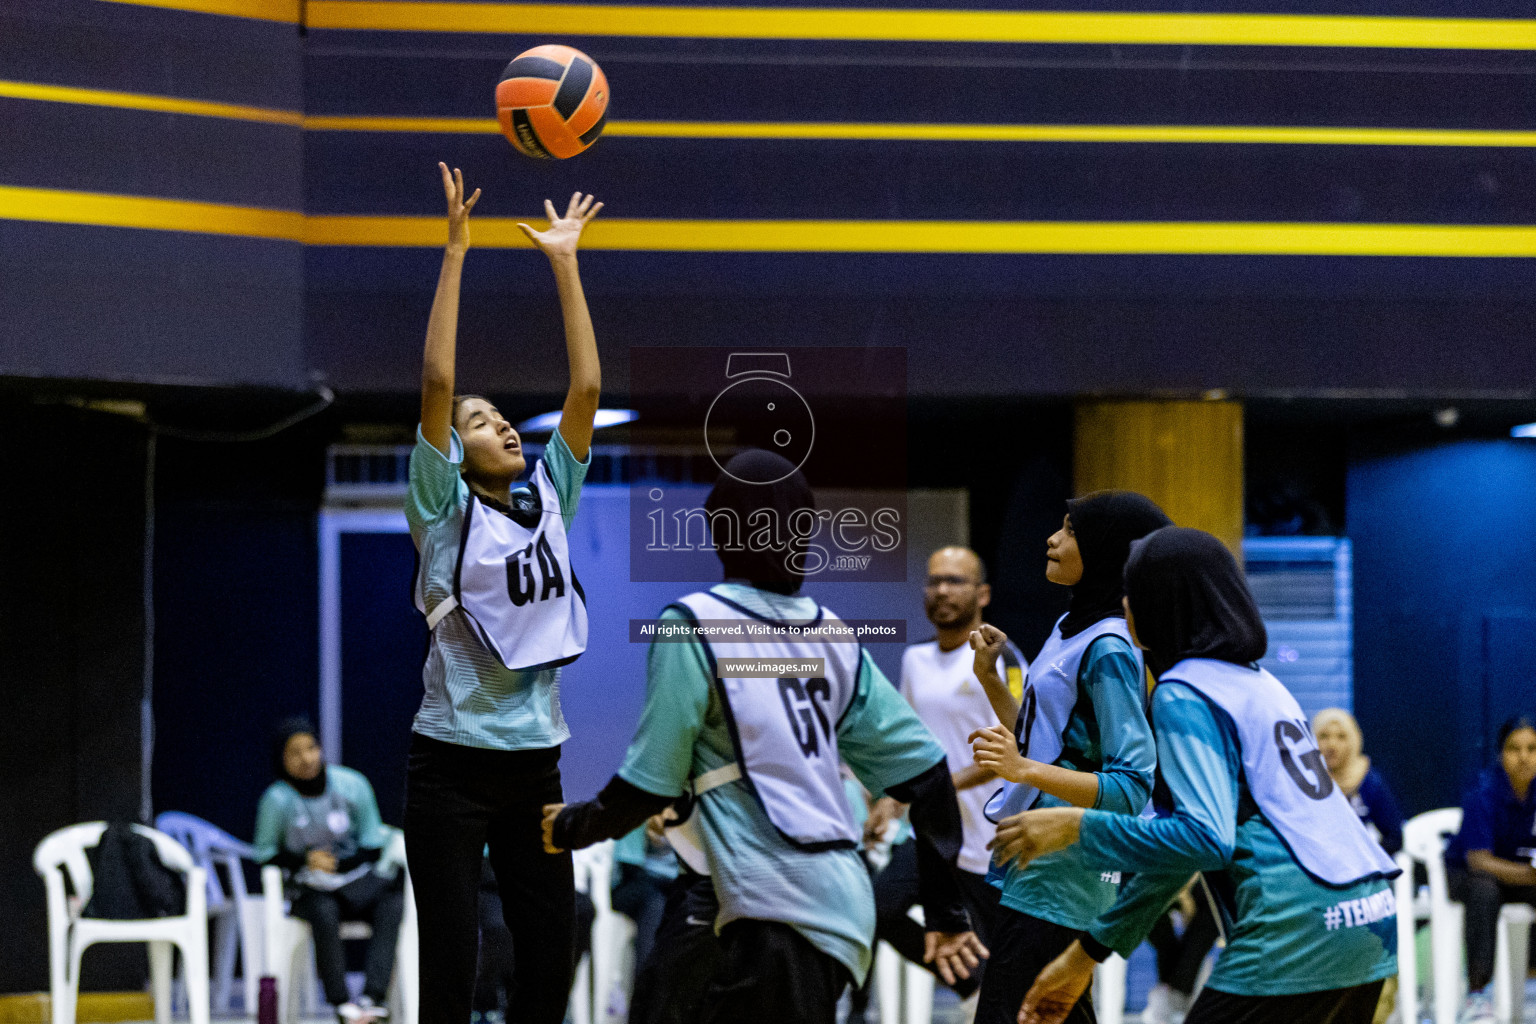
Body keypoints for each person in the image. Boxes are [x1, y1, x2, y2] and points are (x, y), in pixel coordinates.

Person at [542, 449, 988, 1024]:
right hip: (819, 902)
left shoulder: (693, 624)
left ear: (717, 529)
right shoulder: (833, 635)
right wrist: (946, 913)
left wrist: (571, 826)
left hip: (774, 904)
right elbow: (929, 778)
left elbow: (650, 782)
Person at [1008, 527, 1399, 1024]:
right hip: (1367, 917)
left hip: (1293, 924)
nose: (1125, 603)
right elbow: (1180, 855)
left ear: (1163, 603)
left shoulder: (1183, 692)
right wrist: (1085, 956)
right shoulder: (1261, 681)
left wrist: (1077, 827)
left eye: (1135, 590)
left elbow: (1202, 840)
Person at [403, 162, 603, 1024]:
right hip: (447, 764)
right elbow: (438, 384)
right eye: (483, 422)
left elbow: (585, 390)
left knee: (550, 953)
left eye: (503, 418)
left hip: (536, 761)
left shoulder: (553, 488)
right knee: (452, 961)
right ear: (456, 447)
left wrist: (565, 261)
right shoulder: (440, 504)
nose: (501, 425)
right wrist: (457, 249)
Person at [965, 492, 1169, 1024]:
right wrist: (991, 681)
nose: (1052, 540)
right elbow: (1051, 747)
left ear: (1105, 550)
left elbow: (1130, 786)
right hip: (1032, 866)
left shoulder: (1110, 648)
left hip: (1068, 873)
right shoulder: (1068, 627)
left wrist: (1021, 769)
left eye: (1071, 531)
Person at [866, 546, 1024, 998]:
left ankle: (991, 995)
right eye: (934, 580)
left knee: (1009, 965)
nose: (941, 590)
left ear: (983, 593)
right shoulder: (916, 661)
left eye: (955, 581)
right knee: (877, 910)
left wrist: (935, 788)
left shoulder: (1004, 660)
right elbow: (907, 744)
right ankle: (973, 990)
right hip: (930, 837)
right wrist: (892, 798)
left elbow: (1015, 743)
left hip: (990, 838)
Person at [254, 719, 403, 1024]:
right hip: (309, 891)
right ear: (282, 759)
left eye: (311, 748)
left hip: (354, 885)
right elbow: (265, 855)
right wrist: (304, 860)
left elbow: (372, 842)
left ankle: (373, 998)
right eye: (295, 752)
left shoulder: (352, 785)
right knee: (323, 909)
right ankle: (341, 1003)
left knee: (394, 902)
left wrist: (343, 865)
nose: (307, 758)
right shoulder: (276, 800)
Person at [1442, 714, 1536, 1024]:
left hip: (1517, 875)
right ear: (1501, 754)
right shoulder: (1482, 791)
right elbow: (1478, 860)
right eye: (1514, 749)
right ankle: (1478, 994)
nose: (1524, 757)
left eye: (1532, 748)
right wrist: (1528, 875)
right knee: (1485, 888)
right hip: (1465, 875)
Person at [1312, 708, 1404, 856]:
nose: (1332, 745)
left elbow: (1394, 837)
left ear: (1353, 740)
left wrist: (1365, 858)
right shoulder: (1306, 780)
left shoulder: (1369, 781)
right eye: (1324, 736)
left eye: (1341, 737)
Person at [1141, 879, 1220, 1024]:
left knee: (1213, 910)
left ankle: (1174, 993)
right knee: (1148, 908)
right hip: (1161, 874)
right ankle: (1175, 993)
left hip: (1201, 875)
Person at [611, 816, 680, 973]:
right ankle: (645, 984)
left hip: (670, 888)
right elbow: (630, 870)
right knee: (655, 904)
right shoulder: (639, 811)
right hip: (631, 887)